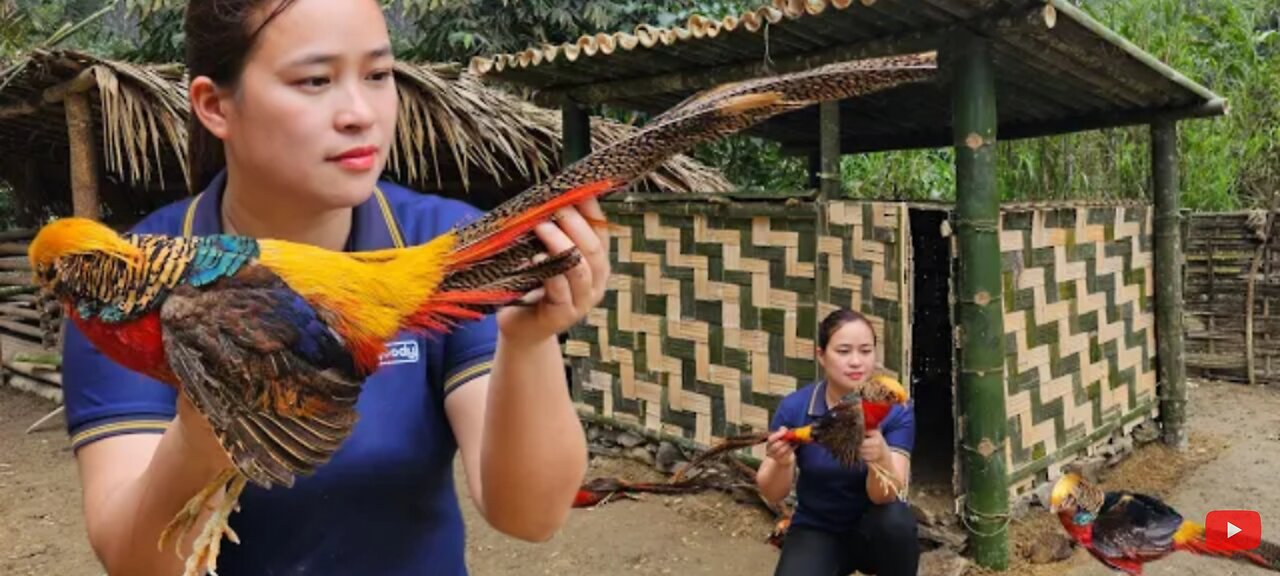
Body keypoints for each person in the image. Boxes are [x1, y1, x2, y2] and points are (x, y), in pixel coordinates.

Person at [58, 1, 604, 574]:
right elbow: (136, 563)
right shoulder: (122, 292)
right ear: (215, 106)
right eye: (315, 80)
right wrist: (206, 426)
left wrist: (529, 341)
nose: (360, 113)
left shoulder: (439, 244)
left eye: (377, 75)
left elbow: (531, 517)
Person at [756, 308, 919, 576]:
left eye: (865, 351)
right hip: (818, 528)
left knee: (896, 521)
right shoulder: (795, 408)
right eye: (843, 351)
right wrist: (782, 462)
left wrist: (880, 457)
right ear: (821, 355)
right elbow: (773, 493)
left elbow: (887, 495)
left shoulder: (896, 409)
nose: (856, 362)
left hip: (873, 529)